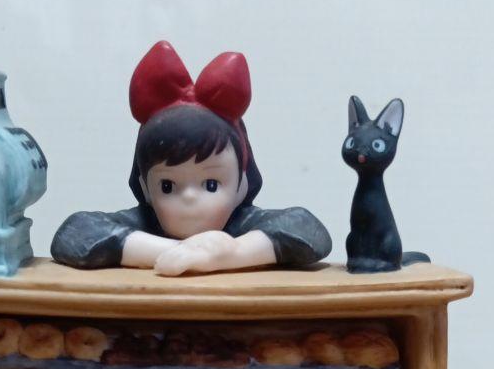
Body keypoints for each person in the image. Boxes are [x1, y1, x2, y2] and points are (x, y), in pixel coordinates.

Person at [51, 41, 331, 276]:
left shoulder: (242, 224)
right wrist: (180, 253)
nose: (189, 198)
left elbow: (308, 230)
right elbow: (75, 234)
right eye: (167, 186)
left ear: (242, 185)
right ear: (146, 188)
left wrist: (232, 253)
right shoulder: (146, 223)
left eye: (211, 184)